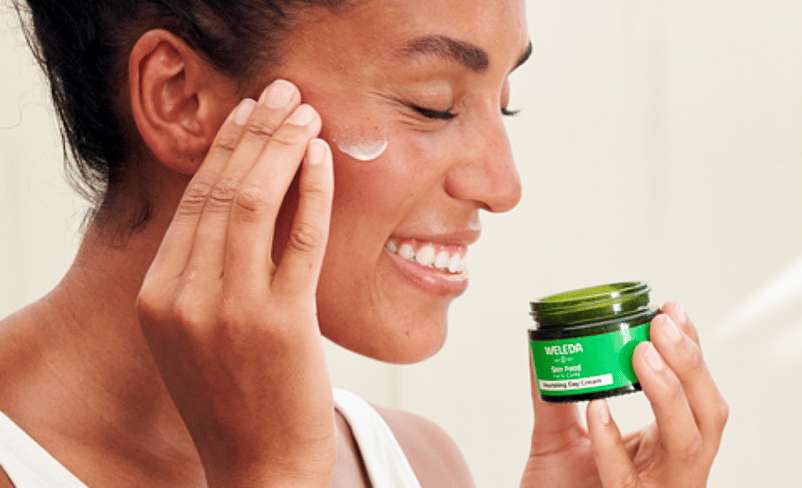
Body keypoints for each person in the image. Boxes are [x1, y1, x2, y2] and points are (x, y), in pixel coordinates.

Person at [0, 0, 728, 486]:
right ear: (182, 98)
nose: (504, 186)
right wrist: (277, 474)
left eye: (505, 104)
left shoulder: (419, 463)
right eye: (432, 103)